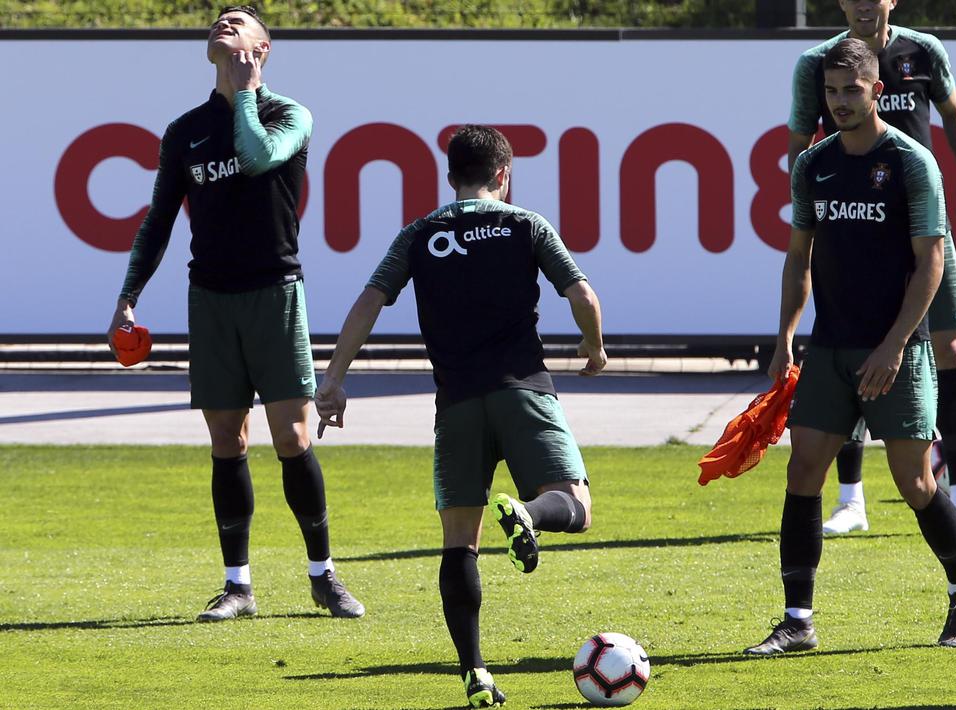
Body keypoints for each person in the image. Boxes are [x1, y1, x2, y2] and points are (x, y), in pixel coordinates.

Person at [315, 125, 605, 709]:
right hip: (523, 391)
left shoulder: (420, 234)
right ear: (504, 174)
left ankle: (475, 672)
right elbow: (582, 294)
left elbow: (369, 301)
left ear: (451, 178)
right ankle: (528, 510)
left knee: (458, 544)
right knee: (574, 505)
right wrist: (593, 346)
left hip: (455, 407)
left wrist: (334, 379)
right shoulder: (526, 224)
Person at [106, 6, 363, 622]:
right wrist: (128, 292)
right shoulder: (185, 130)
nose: (226, 19)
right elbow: (160, 219)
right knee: (228, 440)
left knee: (294, 438)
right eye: (221, 18)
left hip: (276, 291)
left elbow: (254, 157)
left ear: (263, 47)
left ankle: (323, 576)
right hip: (212, 298)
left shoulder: (288, 114)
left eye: (240, 20)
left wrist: (245, 92)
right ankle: (238, 586)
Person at [745, 39, 956, 657]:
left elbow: (931, 260)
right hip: (830, 348)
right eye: (831, 91)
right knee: (802, 474)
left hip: (895, 351)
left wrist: (896, 345)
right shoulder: (812, 165)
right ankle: (798, 620)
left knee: (914, 482)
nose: (840, 101)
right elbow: (799, 257)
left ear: (878, 91)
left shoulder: (909, 162)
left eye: (853, 90)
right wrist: (785, 341)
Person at [788, 0, 956, 536]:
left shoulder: (923, 50)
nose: (861, 1)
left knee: (949, 347)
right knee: (851, 344)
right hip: (857, 223)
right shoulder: (819, 61)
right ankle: (850, 499)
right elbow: (798, 140)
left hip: (922, 228)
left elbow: (954, 115)